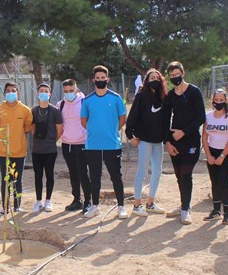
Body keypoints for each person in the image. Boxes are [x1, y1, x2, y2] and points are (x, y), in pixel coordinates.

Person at [81, 65, 128, 219]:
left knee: (116, 176)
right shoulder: (87, 100)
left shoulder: (115, 98)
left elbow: (122, 119)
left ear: (107, 79)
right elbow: (83, 121)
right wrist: (96, 131)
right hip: (92, 145)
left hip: (112, 145)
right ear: (93, 80)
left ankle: (121, 206)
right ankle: (95, 206)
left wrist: (111, 130)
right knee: (94, 177)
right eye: (98, 78)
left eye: (103, 78)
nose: (100, 80)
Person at [163, 61, 206, 225]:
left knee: (186, 174)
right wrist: (168, 141)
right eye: (172, 76)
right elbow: (165, 120)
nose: (175, 77)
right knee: (179, 176)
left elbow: (201, 117)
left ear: (183, 73)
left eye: (177, 74)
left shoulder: (194, 92)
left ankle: (186, 210)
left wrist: (184, 132)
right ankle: (183, 205)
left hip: (191, 140)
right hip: (175, 142)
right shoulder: (170, 96)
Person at [125, 68, 169, 217]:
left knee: (157, 172)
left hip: (158, 141)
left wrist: (166, 137)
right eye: (152, 78)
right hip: (145, 140)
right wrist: (130, 136)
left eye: (158, 77)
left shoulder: (163, 97)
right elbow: (132, 117)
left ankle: (150, 203)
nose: (155, 80)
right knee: (142, 172)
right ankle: (137, 205)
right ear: (146, 81)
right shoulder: (141, 96)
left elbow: (166, 119)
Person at [0, 81, 33, 213]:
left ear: (17, 93)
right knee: (6, 180)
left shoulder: (25, 110)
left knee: (17, 180)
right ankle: (5, 207)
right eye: (8, 91)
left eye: (13, 90)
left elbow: (27, 128)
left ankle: (17, 206)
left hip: (19, 151)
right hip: (4, 152)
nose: (11, 93)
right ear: (4, 94)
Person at [202, 89, 228, 225]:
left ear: (226, 100)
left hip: (226, 152)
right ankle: (216, 210)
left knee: (223, 183)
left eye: (221, 100)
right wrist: (209, 155)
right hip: (212, 151)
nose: (218, 103)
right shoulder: (208, 116)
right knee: (214, 181)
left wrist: (223, 155)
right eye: (216, 100)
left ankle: (227, 213)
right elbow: (205, 137)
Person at [56, 79, 91, 213]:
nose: (69, 93)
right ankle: (77, 200)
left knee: (83, 173)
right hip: (67, 145)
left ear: (76, 90)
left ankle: (88, 201)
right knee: (73, 173)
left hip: (82, 144)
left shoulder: (84, 102)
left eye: (71, 90)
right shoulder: (60, 105)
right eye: (66, 91)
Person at [31, 83, 63, 212]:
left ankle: (48, 200)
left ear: (50, 94)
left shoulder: (55, 111)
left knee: (49, 174)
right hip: (36, 150)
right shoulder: (33, 111)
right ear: (37, 94)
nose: (43, 93)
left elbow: (59, 130)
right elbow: (32, 128)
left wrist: (51, 140)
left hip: (50, 150)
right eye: (41, 91)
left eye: (46, 91)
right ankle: (38, 201)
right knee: (38, 175)